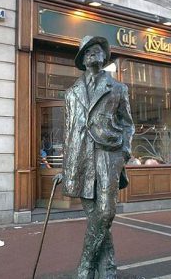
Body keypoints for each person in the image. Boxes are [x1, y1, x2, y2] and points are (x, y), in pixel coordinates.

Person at [54, 36, 135, 279]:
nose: (92, 54)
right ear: (82, 59)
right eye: (87, 52)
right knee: (96, 217)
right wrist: (67, 167)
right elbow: (69, 131)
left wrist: (124, 153)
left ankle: (86, 265)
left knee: (106, 212)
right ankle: (107, 269)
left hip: (109, 156)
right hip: (81, 160)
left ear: (104, 56)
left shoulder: (118, 89)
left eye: (97, 50)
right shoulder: (71, 93)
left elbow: (128, 125)